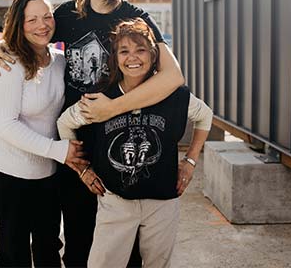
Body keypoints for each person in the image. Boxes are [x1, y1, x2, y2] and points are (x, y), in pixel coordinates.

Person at [0, 0, 184, 267]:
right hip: (74, 152)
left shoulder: (135, 19)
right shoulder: (63, 17)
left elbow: (173, 76)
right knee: (79, 242)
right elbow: (30, 36)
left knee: (126, 246)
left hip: (122, 146)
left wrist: (111, 108)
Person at [57, 18, 213, 268]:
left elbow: (205, 115)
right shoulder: (101, 96)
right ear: (115, 58)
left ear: (153, 55)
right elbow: (65, 123)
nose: (133, 58)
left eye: (140, 50)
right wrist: (82, 170)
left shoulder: (174, 96)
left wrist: (190, 161)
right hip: (115, 200)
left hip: (162, 201)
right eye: (124, 51)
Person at [0, 0, 87, 268]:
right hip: (7, 173)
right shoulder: (8, 63)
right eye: (32, 20)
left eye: (47, 16)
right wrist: (58, 150)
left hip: (47, 173)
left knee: (48, 248)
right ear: (19, 24)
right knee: (13, 253)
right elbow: (4, 124)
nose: (42, 25)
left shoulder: (58, 59)